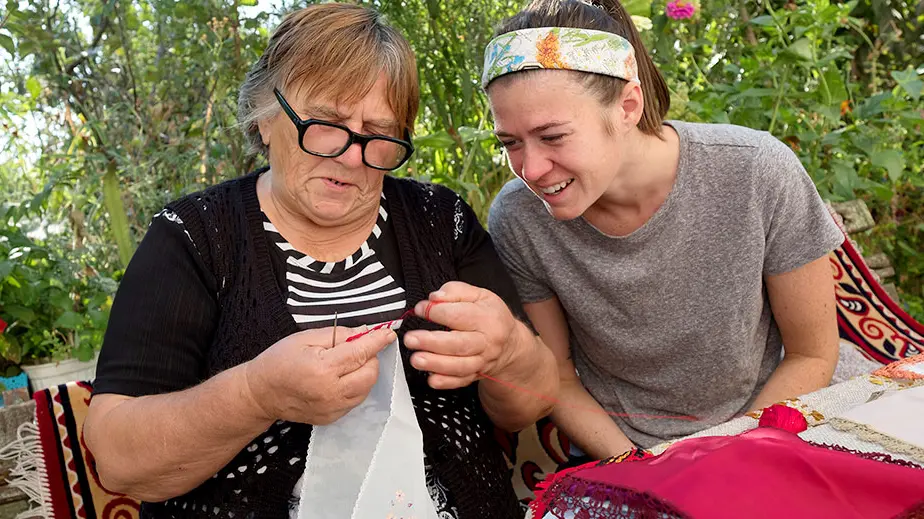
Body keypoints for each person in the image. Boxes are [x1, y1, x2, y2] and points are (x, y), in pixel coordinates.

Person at [83, 4, 558, 518]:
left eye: (378, 134)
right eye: (327, 124)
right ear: (265, 117)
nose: (352, 156)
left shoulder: (441, 222)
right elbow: (116, 460)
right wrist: (255, 395)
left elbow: (528, 402)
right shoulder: (196, 239)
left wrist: (509, 352)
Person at [483, 0, 843, 460]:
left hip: (768, 427)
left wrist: (729, 459)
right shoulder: (518, 218)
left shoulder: (755, 172)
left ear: (628, 106)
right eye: (510, 142)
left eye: (553, 136)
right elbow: (559, 375)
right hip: (624, 451)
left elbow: (810, 355)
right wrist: (641, 470)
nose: (530, 169)